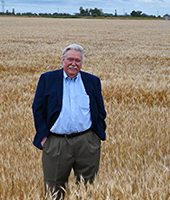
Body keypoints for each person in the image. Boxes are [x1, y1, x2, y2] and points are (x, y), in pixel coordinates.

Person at [32, 44, 107, 199]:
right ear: (63, 60)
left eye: (78, 60)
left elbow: (100, 110)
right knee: (53, 190)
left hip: (87, 142)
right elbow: (37, 109)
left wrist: (96, 137)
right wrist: (45, 138)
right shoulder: (47, 79)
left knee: (86, 190)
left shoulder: (92, 81)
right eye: (70, 59)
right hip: (57, 143)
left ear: (82, 63)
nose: (74, 63)